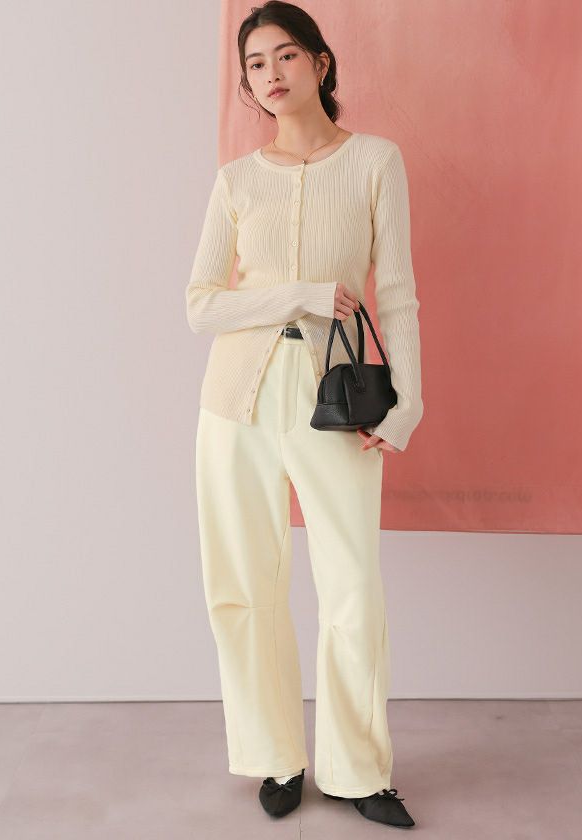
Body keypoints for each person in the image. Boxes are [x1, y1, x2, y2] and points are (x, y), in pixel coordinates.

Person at [185, 1, 422, 828]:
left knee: (352, 585)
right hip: (236, 404)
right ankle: (275, 757)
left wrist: (406, 404)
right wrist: (302, 295)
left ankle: (359, 771)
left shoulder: (375, 162)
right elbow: (200, 305)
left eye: (286, 55)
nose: (271, 74)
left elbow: (397, 291)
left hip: (337, 400)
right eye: (255, 64)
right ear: (247, 83)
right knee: (245, 585)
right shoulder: (236, 181)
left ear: (321, 63)